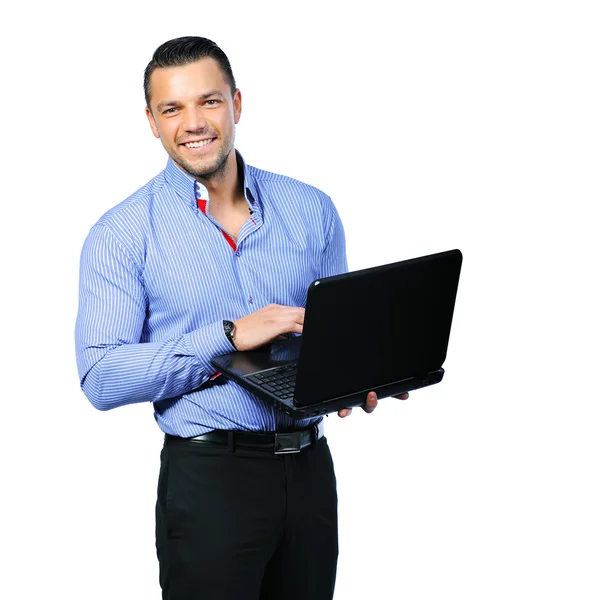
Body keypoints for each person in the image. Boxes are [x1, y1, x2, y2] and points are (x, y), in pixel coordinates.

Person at [75, 36, 408, 600]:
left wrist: (359, 376)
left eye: (208, 101)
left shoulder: (311, 209)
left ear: (236, 103)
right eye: (171, 108)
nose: (193, 122)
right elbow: (100, 377)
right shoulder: (121, 235)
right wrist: (226, 337)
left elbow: (328, 338)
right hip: (209, 483)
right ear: (152, 122)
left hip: (308, 472)